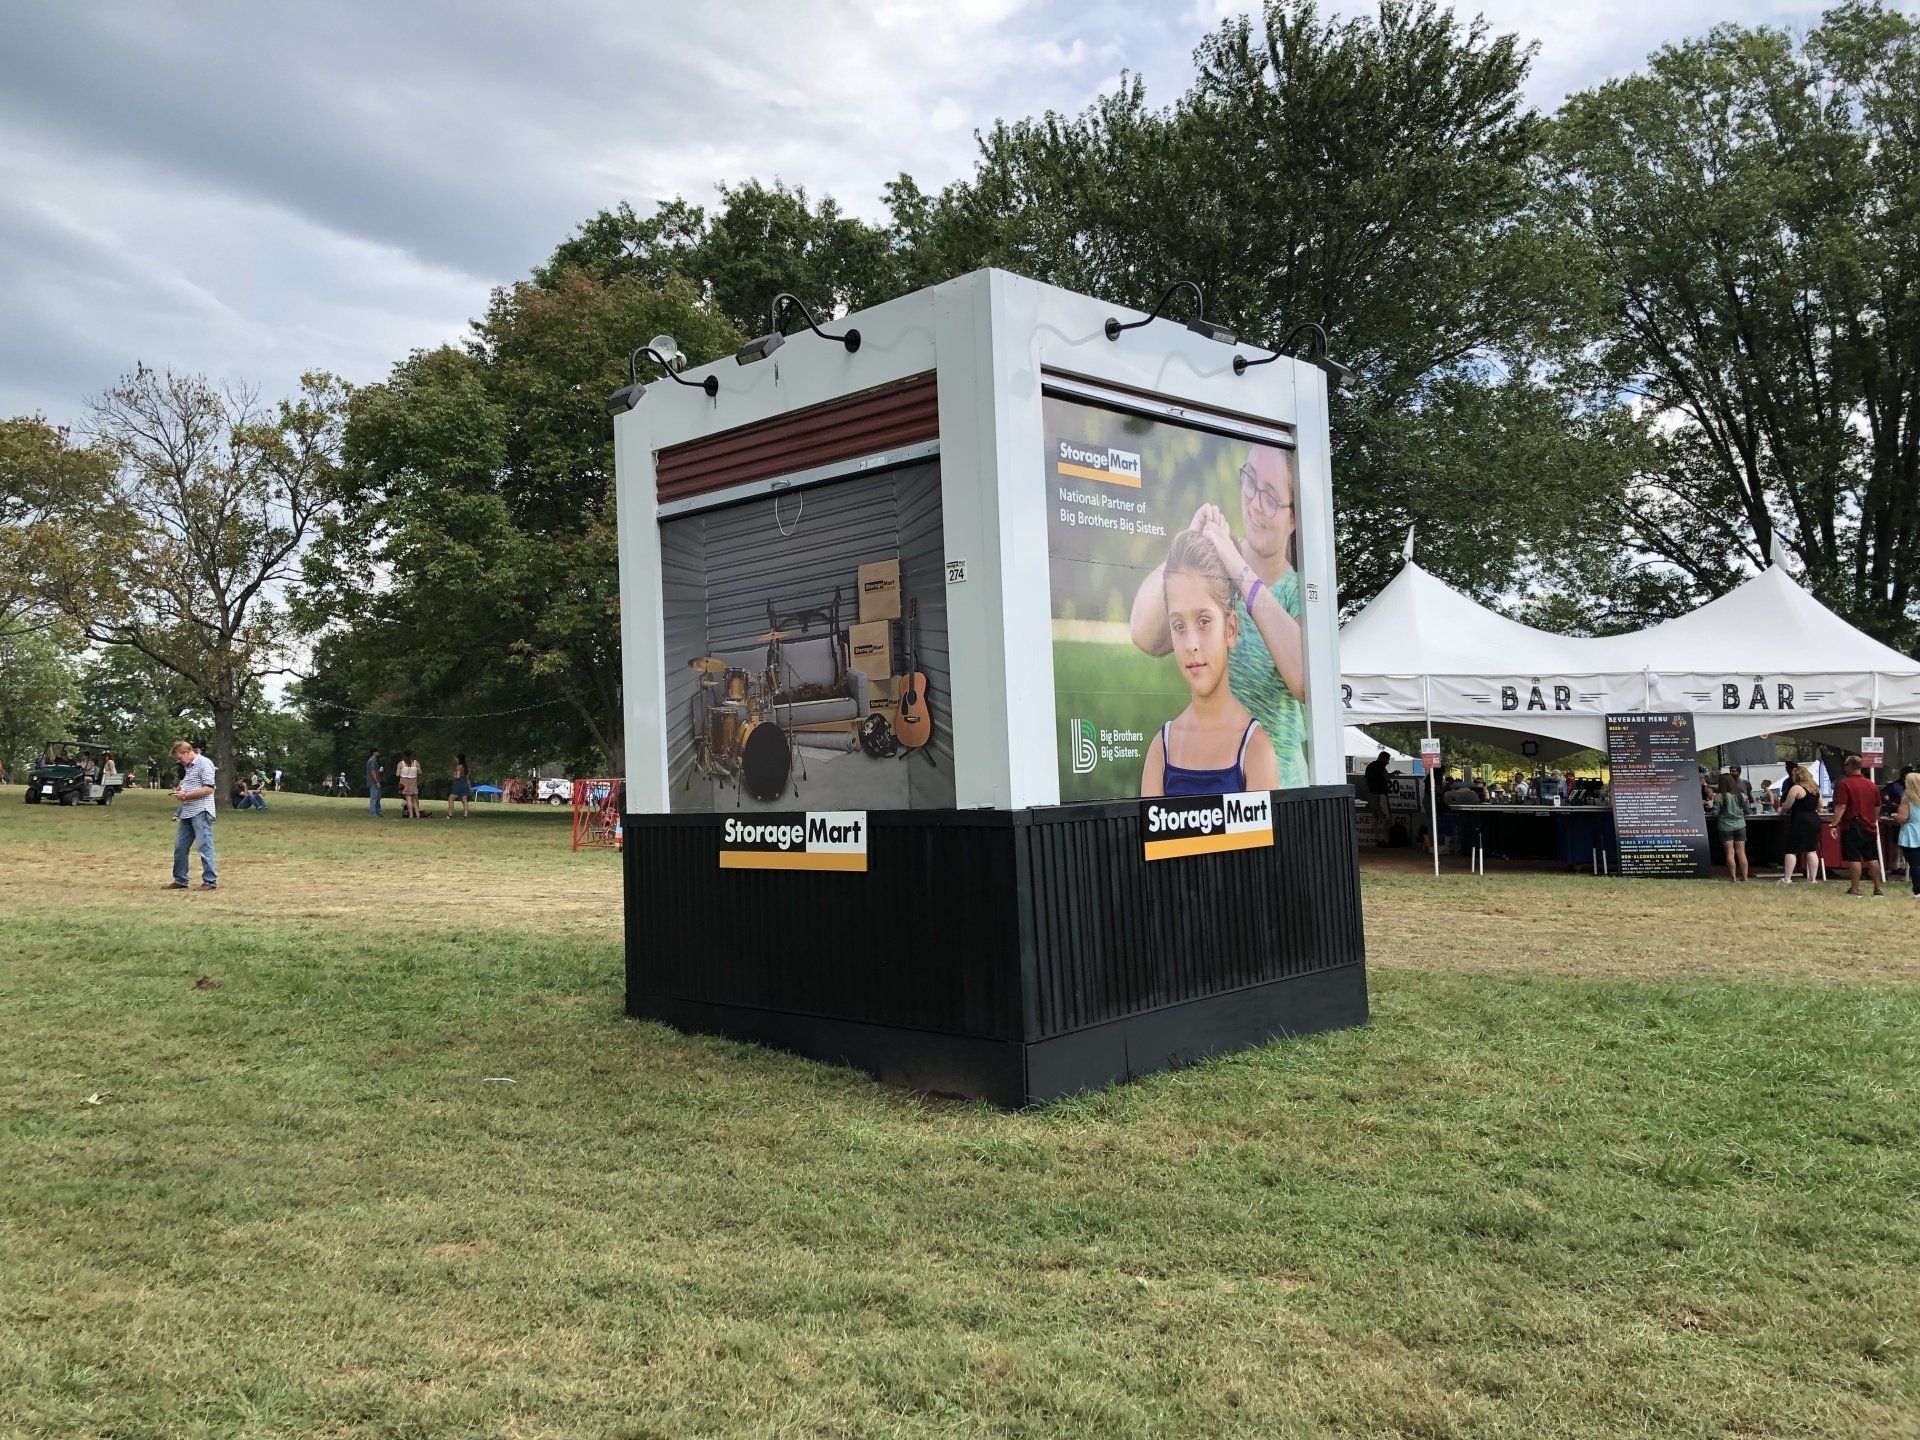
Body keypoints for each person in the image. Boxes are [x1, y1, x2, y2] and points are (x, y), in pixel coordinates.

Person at [1129, 445, 1308, 788]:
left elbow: (1304, 679)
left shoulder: (1295, 592)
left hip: (1280, 798)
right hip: (1211, 787)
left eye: (1271, 496)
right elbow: (1142, 633)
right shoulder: (1213, 571)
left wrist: (1240, 567)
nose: (1255, 502)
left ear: (1293, 518)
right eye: (1250, 482)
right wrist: (1188, 540)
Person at [1139, 529, 1280, 797]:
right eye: (1178, 625)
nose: (1191, 643)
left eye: (1203, 621)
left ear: (1230, 629)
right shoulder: (1161, 748)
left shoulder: (1256, 749)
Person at [1830, 755, 1886, 898]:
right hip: (1869, 826)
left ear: (1850, 765)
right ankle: (1878, 888)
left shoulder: (1845, 783)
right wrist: (1873, 819)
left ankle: (1855, 888)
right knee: (1872, 857)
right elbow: (1877, 805)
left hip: (1852, 826)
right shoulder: (1871, 784)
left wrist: (1834, 823)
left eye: (1845, 765)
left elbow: (1841, 805)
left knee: (1854, 858)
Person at [167, 740, 217, 891]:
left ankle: (210, 881)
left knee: (204, 846)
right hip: (187, 811)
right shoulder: (188, 767)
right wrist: (181, 789)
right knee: (180, 846)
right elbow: (189, 784)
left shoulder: (204, 763)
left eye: (179, 757)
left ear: (188, 752)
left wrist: (186, 795)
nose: (179, 761)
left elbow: (209, 788)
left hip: (201, 810)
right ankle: (180, 879)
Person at [1779, 763, 1822, 885]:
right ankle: (1813, 879)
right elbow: (1820, 805)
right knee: (1812, 850)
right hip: (1814, 820)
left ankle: (1787, 878)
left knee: (1791, 849)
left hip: (1800, 820)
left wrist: (1781, 810)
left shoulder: (1796, 788)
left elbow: (1787, 806)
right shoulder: (1815, 788)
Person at [1712, 772, 1749, 883]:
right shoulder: (1742, 795)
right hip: (1740, 825)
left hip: (1725, 826)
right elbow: (1746, 811)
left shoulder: (1719, 797)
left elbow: (1715, 813)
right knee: (1741, 852)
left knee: (1730, 852)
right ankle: (1745, 878)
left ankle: (1733, 878)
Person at [1896, 769, 1920, 899]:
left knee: (1915, 864)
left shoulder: (1907, 799)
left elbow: (1902, 818)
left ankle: (1918, 890)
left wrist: (1896, 816)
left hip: (1911, 835)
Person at [1363, 751, 1393, 824]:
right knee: (1384, 816)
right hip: (1380, 794)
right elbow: (1387, 776)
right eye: (1387, 760)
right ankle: (1385, 833)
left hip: (1371, 794)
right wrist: (1394, 773)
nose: (1387, 762)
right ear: (1382, 758)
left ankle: (1376, 834)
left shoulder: (1370, 766)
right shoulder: (1380, 766)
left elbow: (1366, 780)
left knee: (1375, 816)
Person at [446, 753, 474, 819]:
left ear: (459, 759)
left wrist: (454, 775)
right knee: (464, 800)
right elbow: (467, 778)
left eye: (456, 758)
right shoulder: (467, 767)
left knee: (451, 798)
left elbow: (458, 777)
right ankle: (465, 815)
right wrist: (469, 786)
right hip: (465, 785)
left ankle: (450, 815)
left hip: (458, 785)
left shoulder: (459, 766)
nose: (456, 759)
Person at [397, 750, 422, 818]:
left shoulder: (401, 763)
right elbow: (420, 772)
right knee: (415, 800)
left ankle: (411, 815)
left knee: (408, 800)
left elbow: (397, 774)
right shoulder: (415, 762)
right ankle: (417, 815)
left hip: (404, 783)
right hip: (413, 782)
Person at [366, 748, 383, 817]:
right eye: (377, 751)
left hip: (375, 782)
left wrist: (379, 771)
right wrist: (377, 782)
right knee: (374, 798)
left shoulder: (373, 761)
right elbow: (372, 772)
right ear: (374, 753)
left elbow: (374, 772)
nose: (378, 752)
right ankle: (373, 813)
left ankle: (378, 812)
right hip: (373, 782)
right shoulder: (372, 761)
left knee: (378, 797)